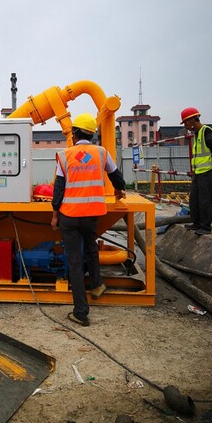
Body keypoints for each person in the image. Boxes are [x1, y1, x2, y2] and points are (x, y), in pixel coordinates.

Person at [51, 114, 126, 327]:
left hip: (70, 215)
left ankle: (81, 312)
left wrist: (55, 214)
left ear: (75, 134)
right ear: (91, 134)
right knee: (91, 248)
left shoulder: (65, 155)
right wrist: (120, 190)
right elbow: (116, 176)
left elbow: (58, 188)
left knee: (74, 261)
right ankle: (96, 285)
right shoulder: (101, 153)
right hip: (92, 214)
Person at [180, 107, 212, 236]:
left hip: (208, 172)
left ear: (191, 120)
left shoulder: (206, 132)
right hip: (199, 172)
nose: (185, 126)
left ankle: (206, 226)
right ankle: (196, 223)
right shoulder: (197, 134)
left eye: (185, 122)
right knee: (194, 199)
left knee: (204, 199)